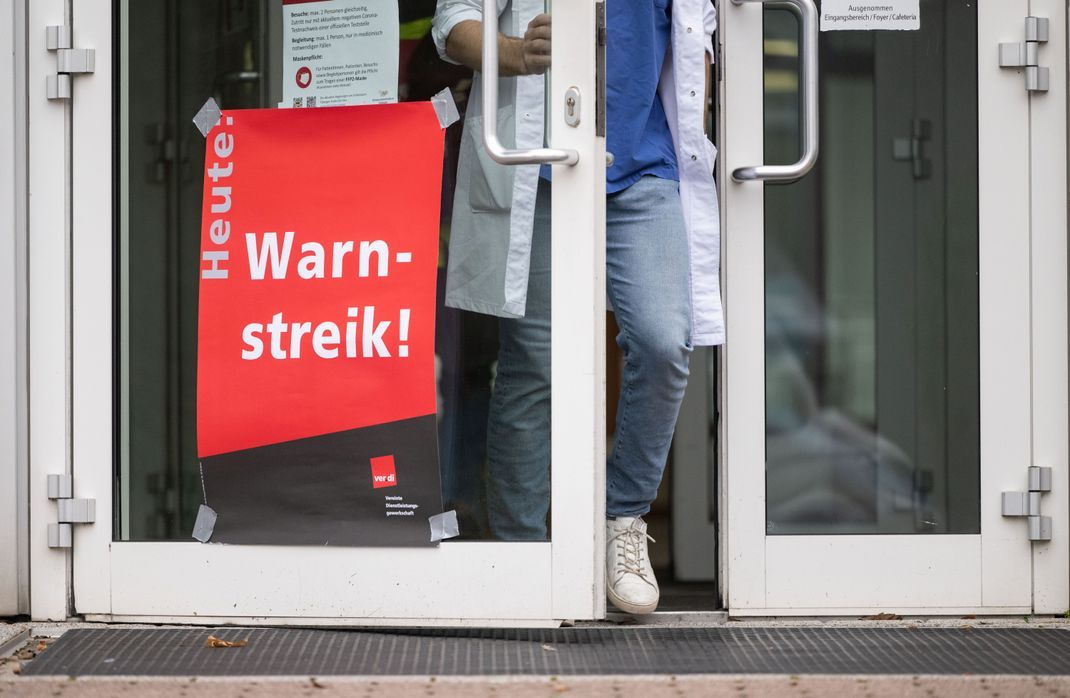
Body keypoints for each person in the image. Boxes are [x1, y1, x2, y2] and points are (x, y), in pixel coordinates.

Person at [431, 0, 723, 614]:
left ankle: (623, 516)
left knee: (664, 341)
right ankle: (522, 556)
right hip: (541, 163)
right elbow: (451, 24)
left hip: (645, 163)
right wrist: (514, 53)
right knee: (535, 363)